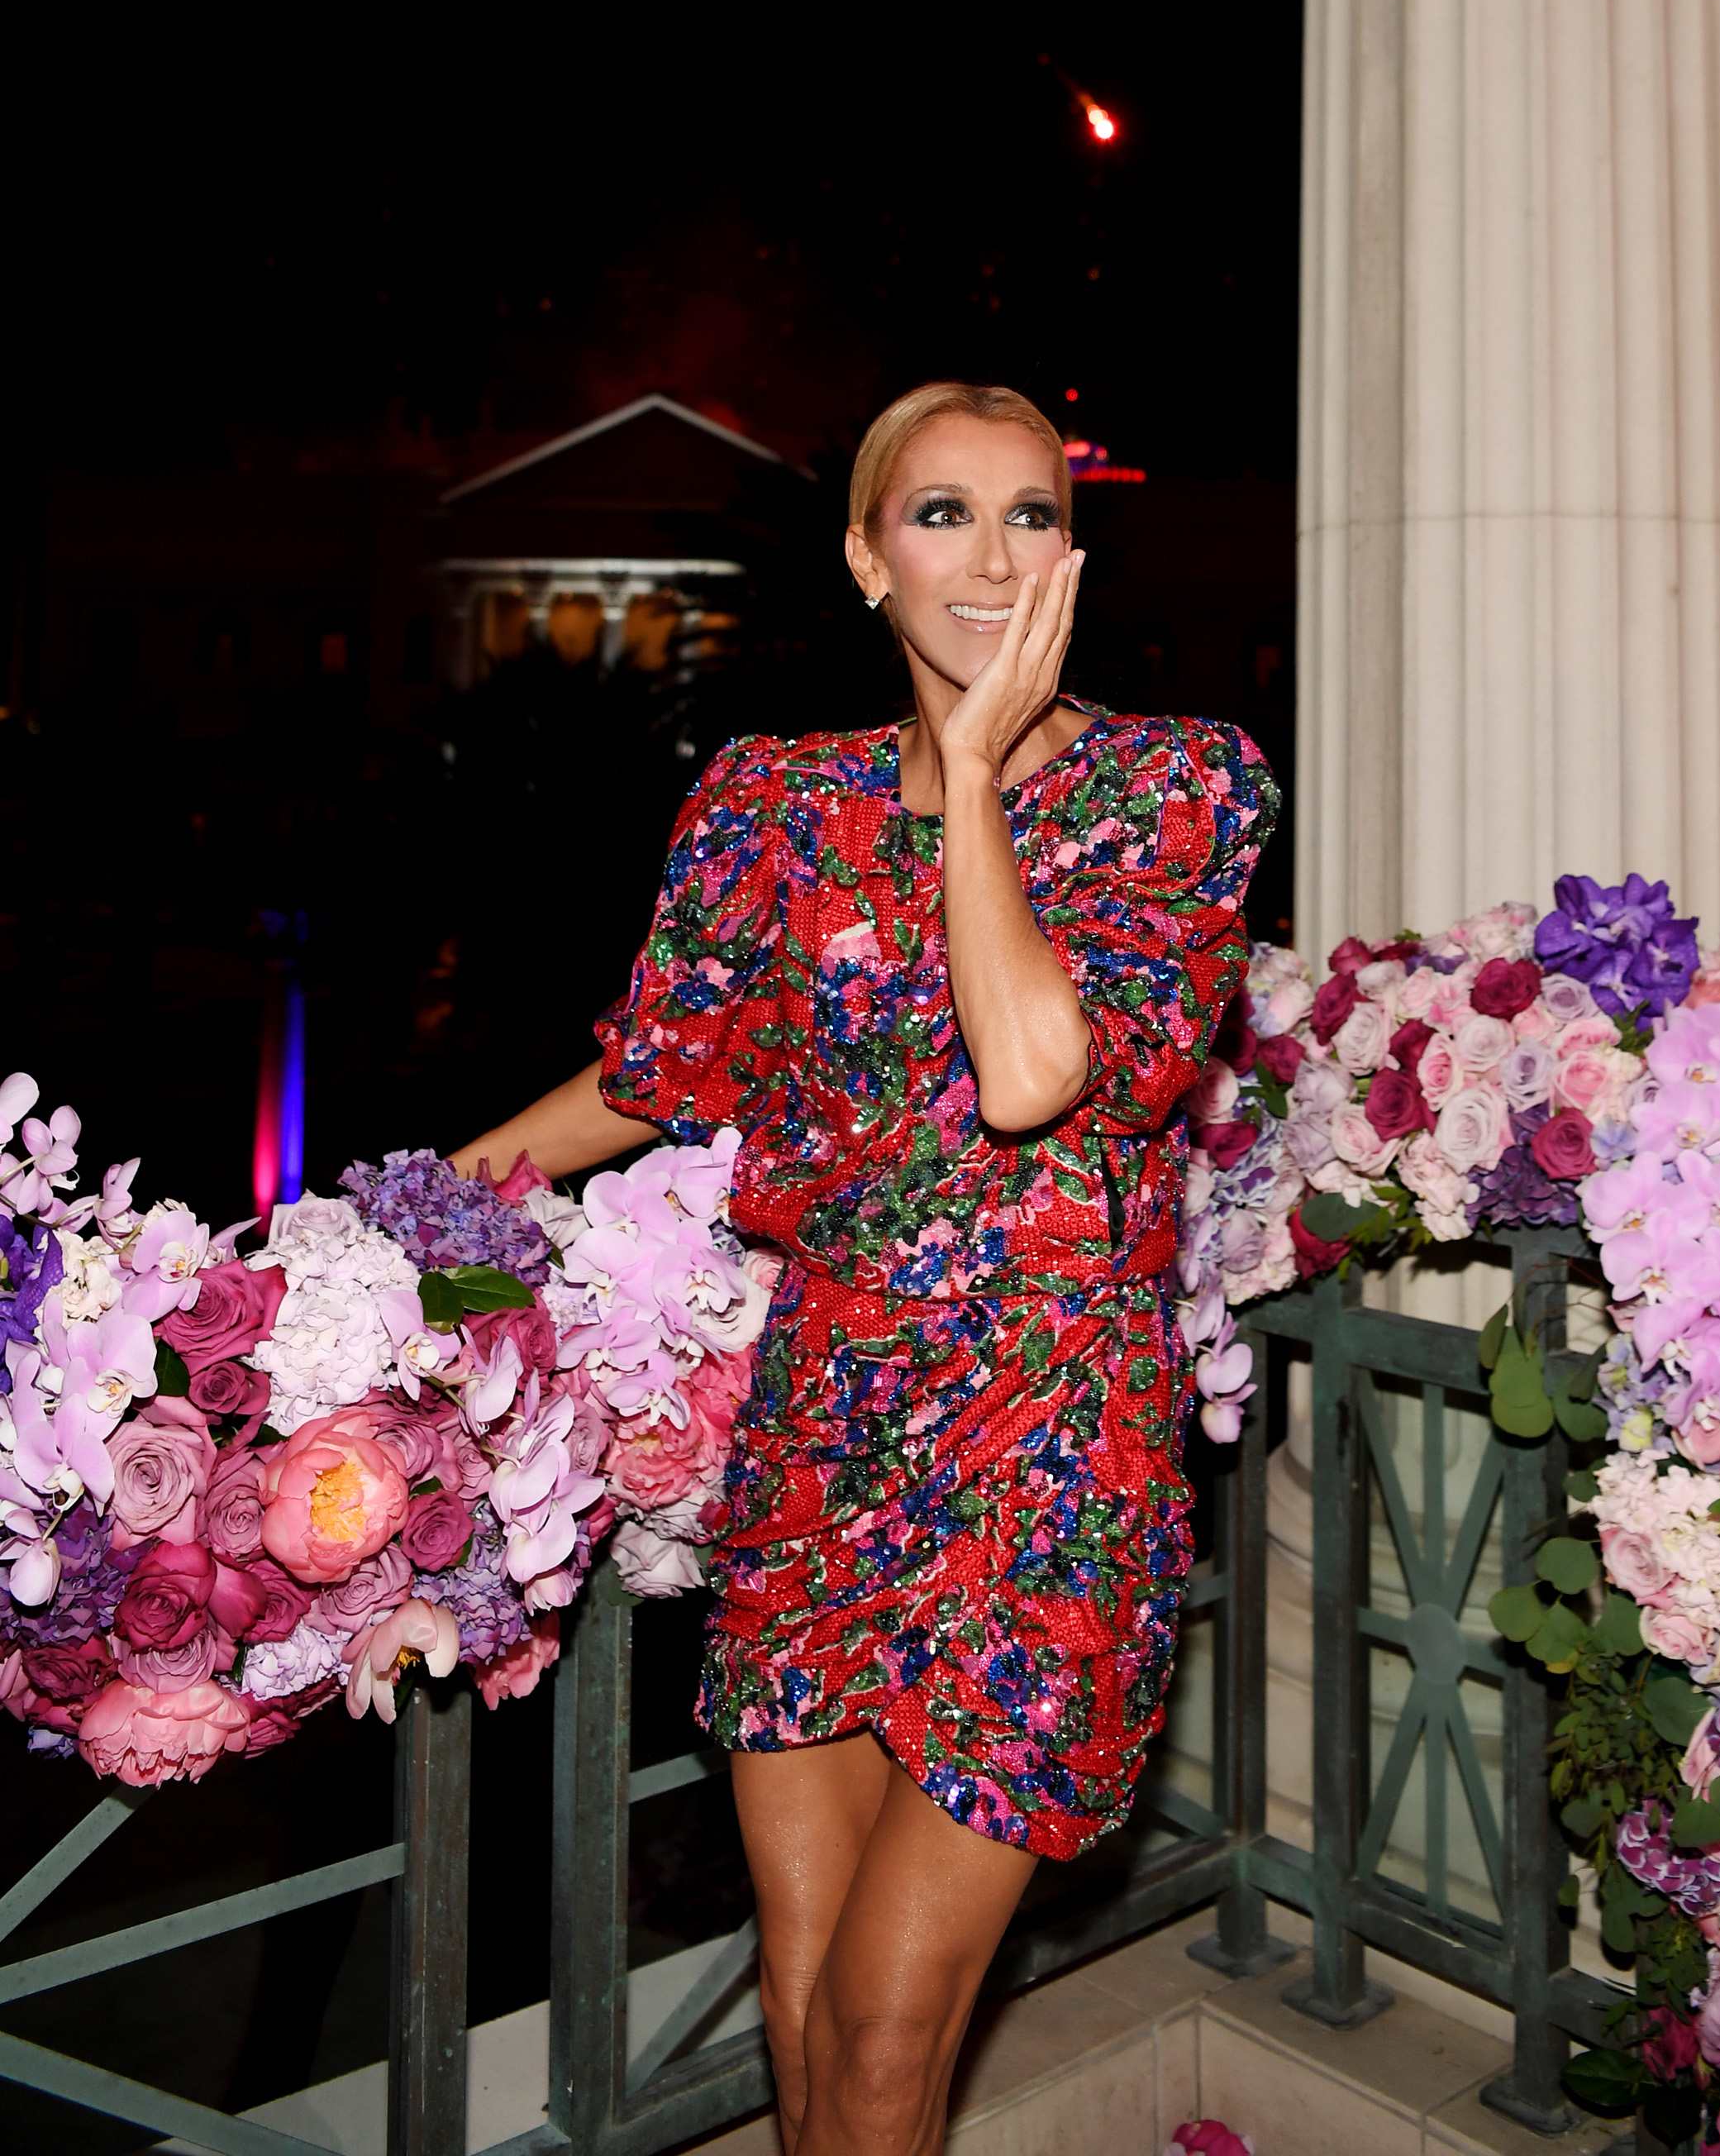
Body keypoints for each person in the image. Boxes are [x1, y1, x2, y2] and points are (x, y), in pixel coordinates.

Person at [451, 381, 1276, 2156]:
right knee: (809, 1991)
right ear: (861, 556)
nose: (989, 552)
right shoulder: (766, 801)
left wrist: (972, 768)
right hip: (821, 1444)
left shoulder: (1179, 783)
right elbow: (652, 1076)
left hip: (1052, 1457)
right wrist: (414, 1207)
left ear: (1072, 547)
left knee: (893, 2034)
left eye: (1030, 514)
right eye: (941, 512)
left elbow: (1038, 1066)